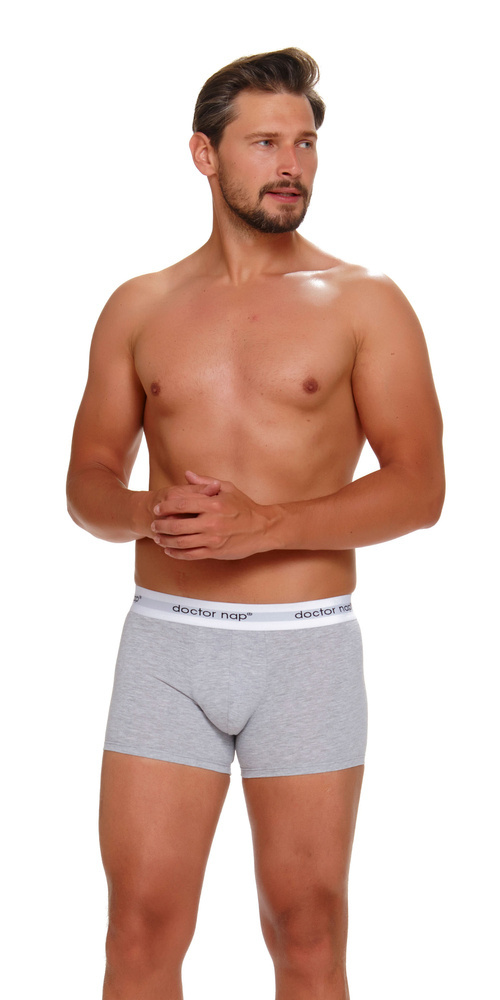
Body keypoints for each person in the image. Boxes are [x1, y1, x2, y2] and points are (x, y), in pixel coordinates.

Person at [66, 47, 445, 1000]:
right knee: (140, 929)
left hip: (304, 650)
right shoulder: (140, 305)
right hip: (167, 647)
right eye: (266, 142)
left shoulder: (365, 300)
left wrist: (267, 524)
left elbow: (420, 489)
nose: (292, 165)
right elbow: (87, 484)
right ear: (205, 154)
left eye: (306, 143)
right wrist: (150, 514)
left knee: (305, 930)